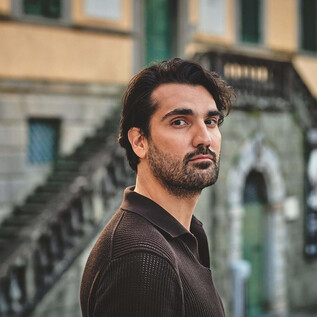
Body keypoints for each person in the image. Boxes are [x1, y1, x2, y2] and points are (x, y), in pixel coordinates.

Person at [80, 58, 233, 317]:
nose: (204, 138)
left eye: (210, 121)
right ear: (139, 141)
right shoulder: (143, 258)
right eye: (179, 122)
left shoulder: (179, 235)